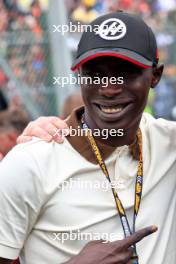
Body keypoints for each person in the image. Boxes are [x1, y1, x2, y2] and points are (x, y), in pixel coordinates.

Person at [0, 11, 176, 264]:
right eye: (95, 73)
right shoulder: (30, 162)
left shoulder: (169, 143)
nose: (110, 87)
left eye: (126, 72)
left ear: (155, 76)